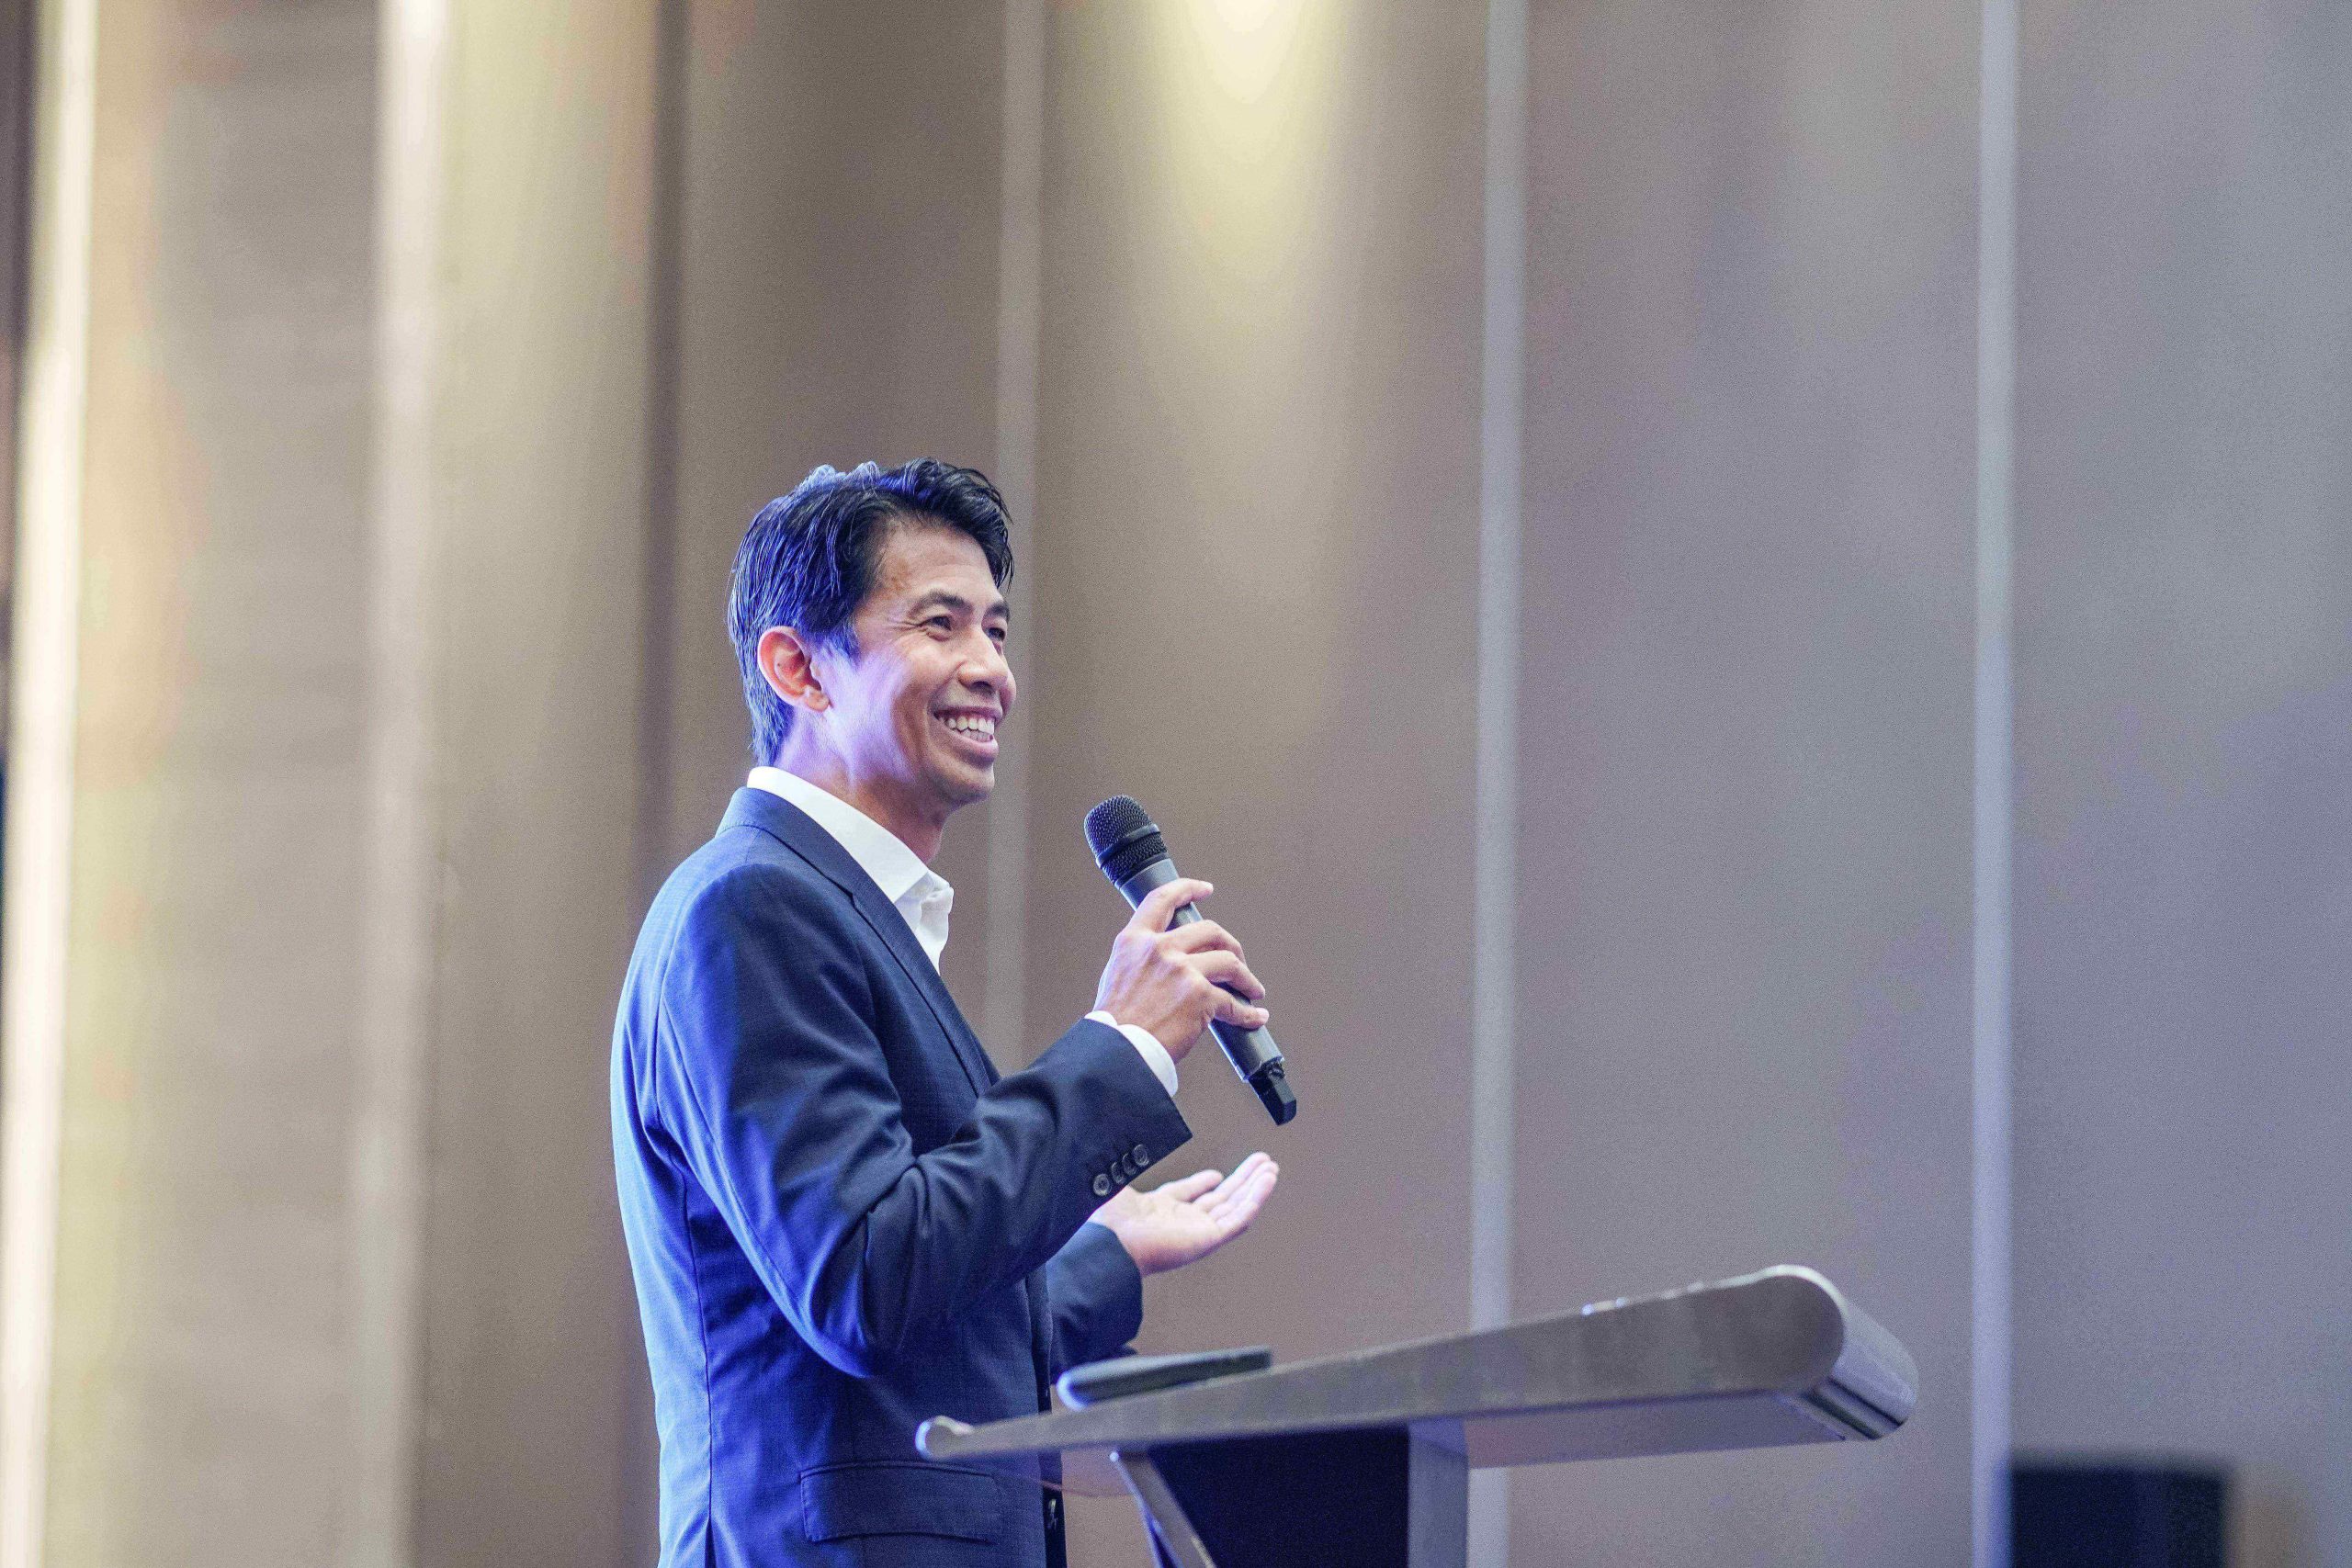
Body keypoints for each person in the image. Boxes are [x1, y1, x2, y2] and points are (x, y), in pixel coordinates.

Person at [612, 458, 1281, 1568]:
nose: (990, 671)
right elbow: (864, 1285)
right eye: (940, 624)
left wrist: (1103, 1252)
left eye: (996, 630)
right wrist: (1119, 1049)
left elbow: (919, 1326)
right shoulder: (753, 907)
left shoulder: (830, 910)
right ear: (798, 668)